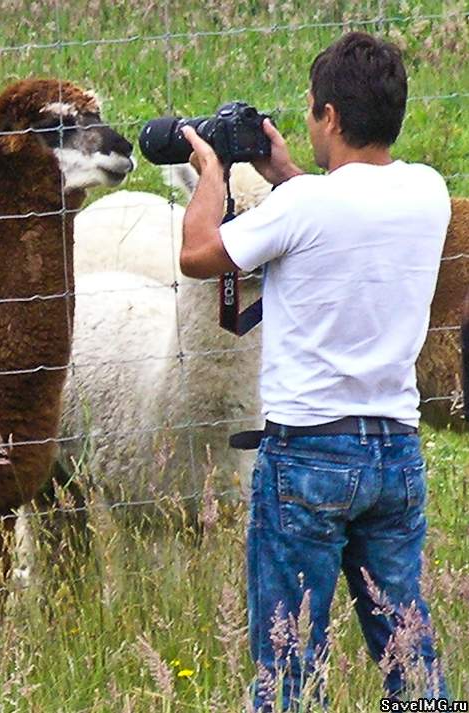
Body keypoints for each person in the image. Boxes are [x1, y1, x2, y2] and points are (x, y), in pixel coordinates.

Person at [179, 31, 452, 709]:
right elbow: (344, 211)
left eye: (311, 110)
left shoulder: (304, 207)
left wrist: (213, 174)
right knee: (408, 648)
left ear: (330, 116)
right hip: (394, 449)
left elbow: (200, 253)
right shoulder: (428, 191)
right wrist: (288, 171)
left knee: (288, 656)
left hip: (308, 451)